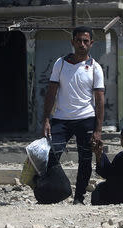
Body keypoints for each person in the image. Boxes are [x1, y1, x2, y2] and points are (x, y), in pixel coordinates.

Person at [42, 26, 105, 205]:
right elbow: (51, 92)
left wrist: (98, 129)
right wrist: (46, 119)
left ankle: (79, 198)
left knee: (85, 160)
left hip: (86, 119)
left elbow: (99, 100)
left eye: (86, 41)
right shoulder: (60, 64)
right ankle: (52, 194)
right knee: (52, 156)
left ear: (91, 43)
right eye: (78, 40)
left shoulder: (95, 68)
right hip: (61, 120)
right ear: (72, 42)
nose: (82, 44)